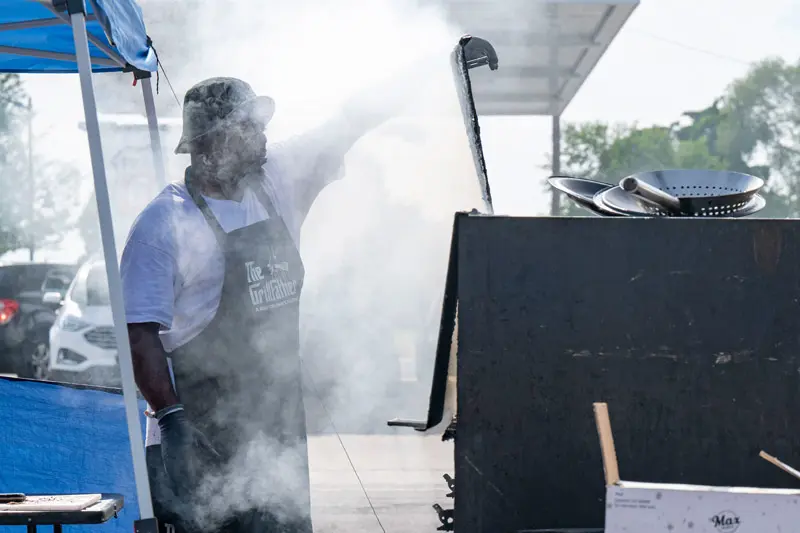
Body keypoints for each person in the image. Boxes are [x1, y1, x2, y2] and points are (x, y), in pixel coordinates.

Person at [120, 76, 396, 533]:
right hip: (199, 441)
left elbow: (350, 120)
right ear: (213, 141)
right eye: (250, 126)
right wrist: (171, 421)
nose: (263, 136)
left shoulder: (279, 179)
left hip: (277, 437)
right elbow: (139, 333)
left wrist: (436, 67)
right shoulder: (162, 224)